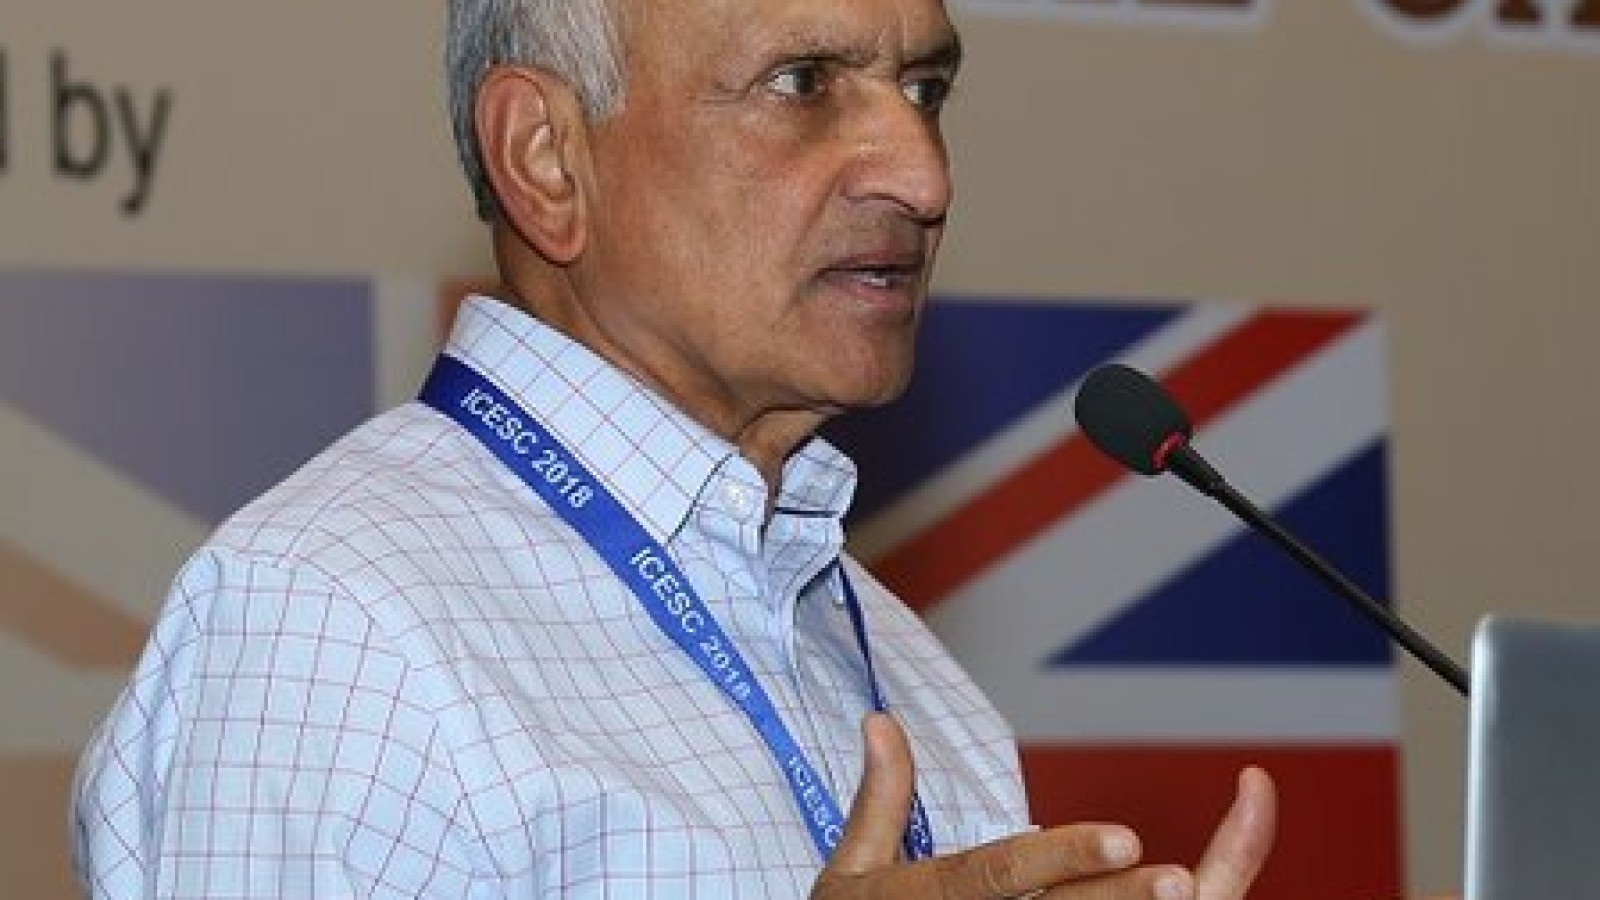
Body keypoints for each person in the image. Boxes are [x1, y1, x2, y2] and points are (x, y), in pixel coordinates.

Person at [69, 0, 1291, 897]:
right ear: (546, 158)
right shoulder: (339, 624)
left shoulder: (914, 674)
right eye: (804, 83)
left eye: (925, 90)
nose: (922, 177)